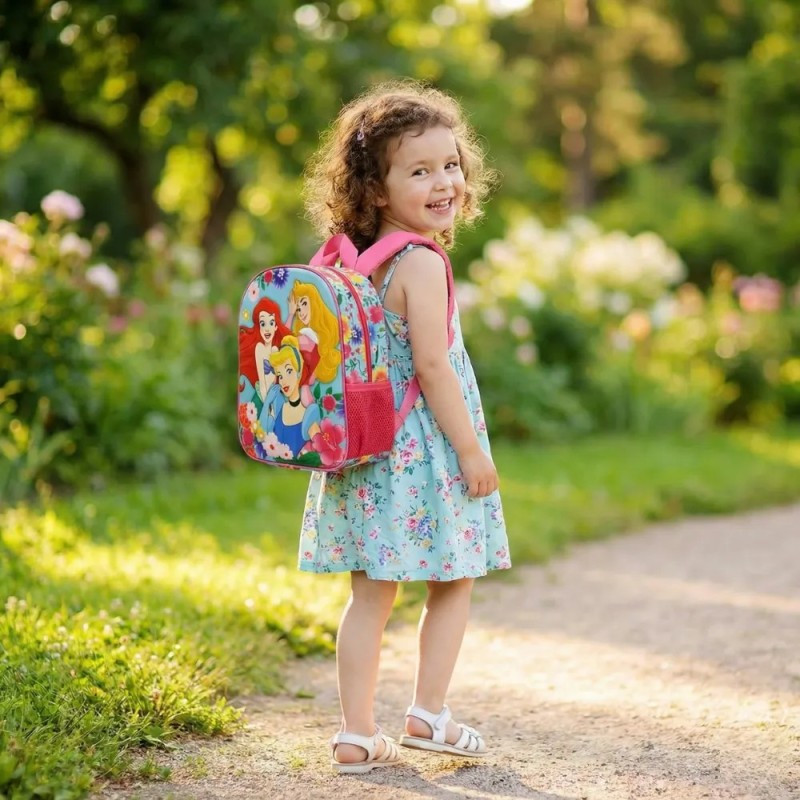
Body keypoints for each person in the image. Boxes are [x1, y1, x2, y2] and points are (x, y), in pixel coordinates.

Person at [300, 81, 511, 774]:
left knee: (370, 595)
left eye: (450, 164)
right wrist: (471, 450)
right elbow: (433, 366)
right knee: (452, 580)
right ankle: (429, 713)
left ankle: (357, 733)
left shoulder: (348, 258)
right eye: (419, 171)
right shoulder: (421, 262)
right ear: (378, 188)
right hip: (422, 452)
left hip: (364, 449)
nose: (444, 181)